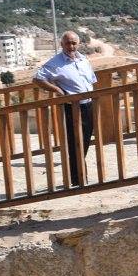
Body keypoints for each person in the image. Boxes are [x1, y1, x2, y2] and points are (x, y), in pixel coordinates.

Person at [35, 30, 98, 185]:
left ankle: (79, 177)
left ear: (78, 43)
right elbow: (37, 79)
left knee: (85, 141)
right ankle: (77, 180)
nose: (71, 46)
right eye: (67, 43)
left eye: (74, 43)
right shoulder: (55, 62)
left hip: (88, 105)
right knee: (75, 143)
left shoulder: (83, 59)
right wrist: (56, 89)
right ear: (62, 44)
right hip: (72, 108)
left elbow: (91, 80)